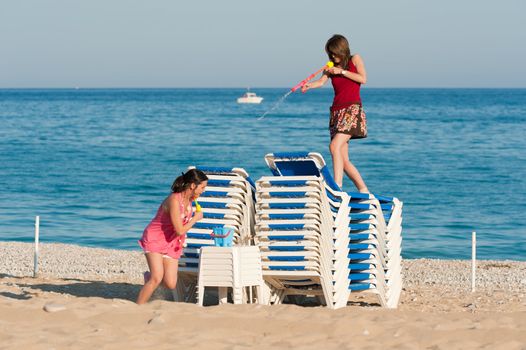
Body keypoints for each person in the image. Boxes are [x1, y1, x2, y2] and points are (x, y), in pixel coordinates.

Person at [302, 34, 369, 193]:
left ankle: (337, 187)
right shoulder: (330, 66)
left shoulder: (355, 59)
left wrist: (341, 72)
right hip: (337, 112)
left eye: (334, 52)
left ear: (342, 49)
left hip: (352, 109)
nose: (332, 56)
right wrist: (309, 85)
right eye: (329, 53)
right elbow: (320, 81)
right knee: (344, 160)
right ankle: (364, 190)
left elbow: (363, 79)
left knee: (334, 146)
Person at [136, 169, 208, 304]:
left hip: (172, 242)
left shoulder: (191, 200)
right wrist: (195, 219)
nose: (203, 190)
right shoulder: (174, 200)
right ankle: (137, 308)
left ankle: (148, 277)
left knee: (170, 284)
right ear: (193, 185)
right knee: (157, 278)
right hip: (155, 238)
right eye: (202, 187)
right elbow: (180, 230)